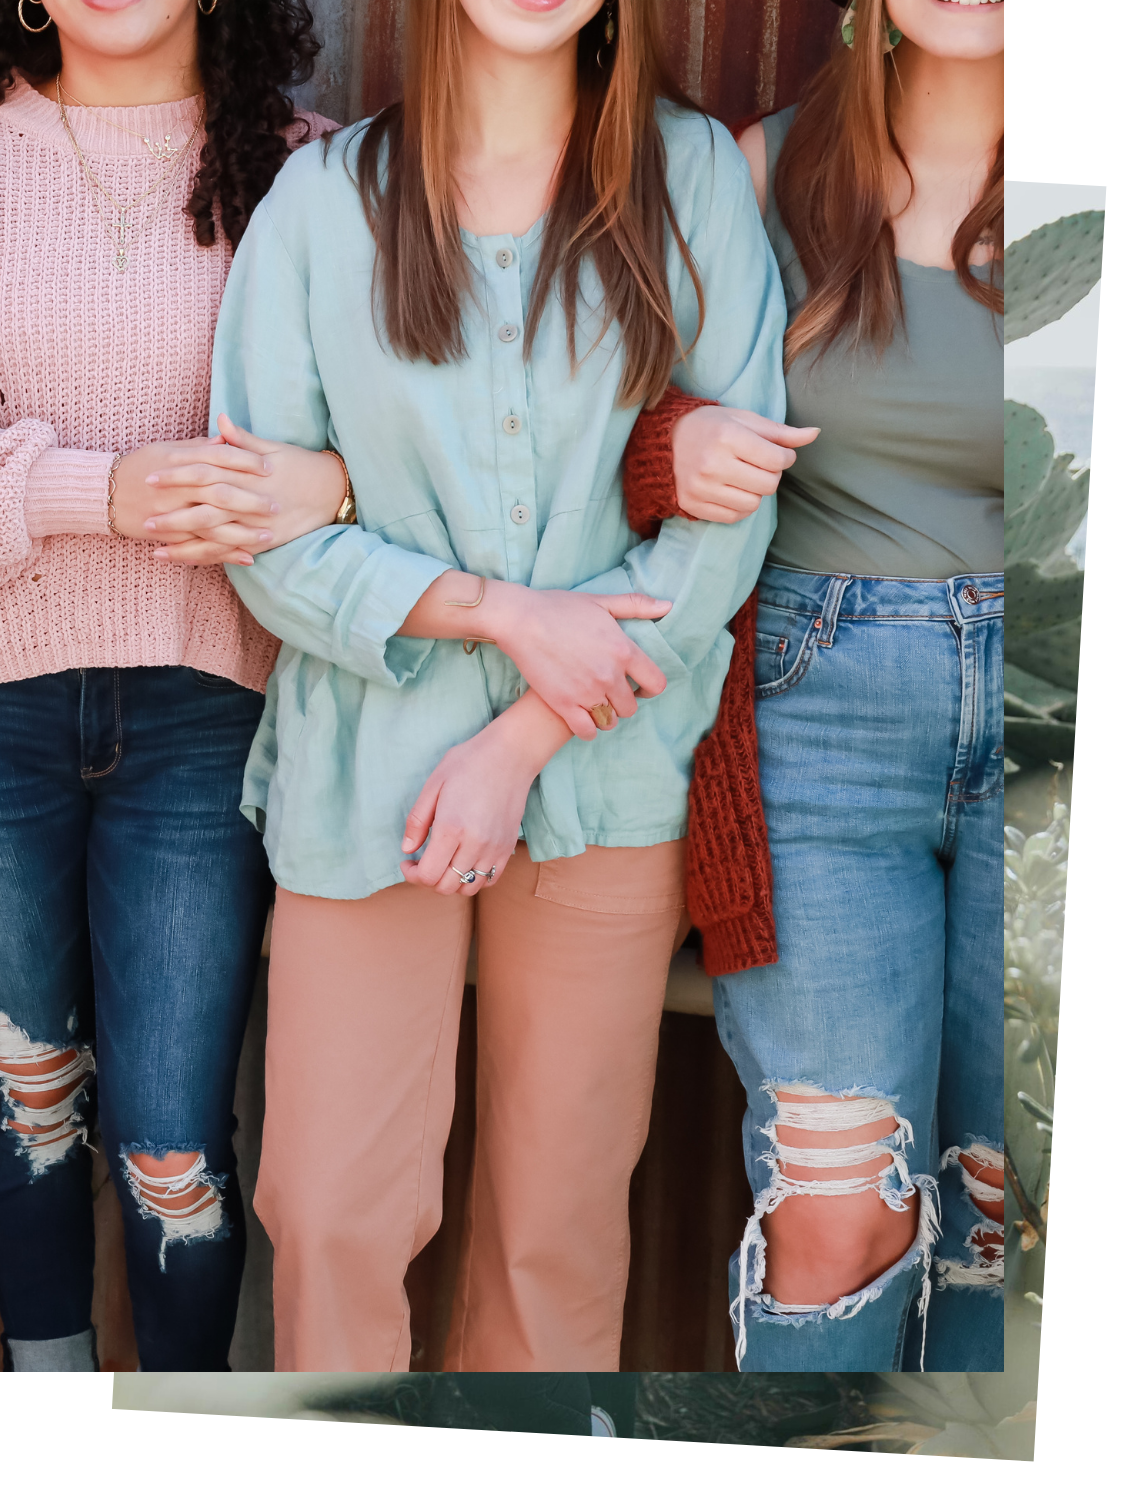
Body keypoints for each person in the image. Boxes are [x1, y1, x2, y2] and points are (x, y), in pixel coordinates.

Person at [192, 0, 805, 1372]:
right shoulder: (323, 201)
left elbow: (727, 521)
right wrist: (502, 617)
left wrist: (522, 736)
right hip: (369, 780)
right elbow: (264, 530)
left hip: (606, 771)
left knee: (555, 1227)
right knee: (335, 1206)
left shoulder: (691, 174)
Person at [623, 0, 1003, 1371]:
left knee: (1004, 1211)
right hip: (815, 710)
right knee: (831, 1213)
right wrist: (683, 446)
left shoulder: (1111, 163)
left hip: (1066, 715)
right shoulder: (761, 168)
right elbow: (614, 421)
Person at [0, 0, 339, 1373]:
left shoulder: (307, 174)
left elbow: (407, 428)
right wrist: (99, 492)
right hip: (4, 705)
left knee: (173, 1135)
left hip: (210, 716)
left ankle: (180, 1438)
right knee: (22, 1106)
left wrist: (336, 483)